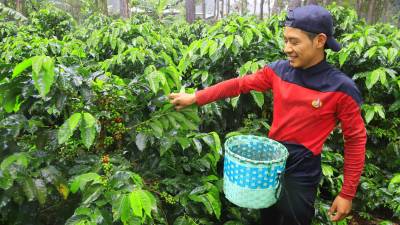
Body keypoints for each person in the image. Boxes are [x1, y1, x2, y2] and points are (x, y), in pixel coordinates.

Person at [168, 5, 366, 225]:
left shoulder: (341, 88)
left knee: (295, 220)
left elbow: (355, 140)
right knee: (267, 218)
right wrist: (196, 97)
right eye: (286, 40)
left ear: (320, 41)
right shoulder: (278, 71)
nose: (287, 48)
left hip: (303, 170)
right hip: (270, 163)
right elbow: (240, 84)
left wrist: (347, 193)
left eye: (294, 41)